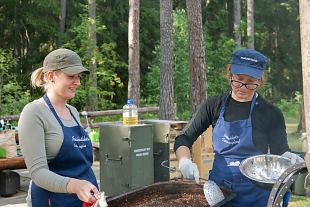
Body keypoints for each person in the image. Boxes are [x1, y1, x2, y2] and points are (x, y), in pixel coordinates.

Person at [174, 48, 304, 207]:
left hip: (257, 195)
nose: (243, 87)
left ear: (260, 80)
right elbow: (184, 138)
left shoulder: (271, 113)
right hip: (219, 193)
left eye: (250, 82)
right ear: (230, 74)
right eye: (239, 79)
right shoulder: (214, 105)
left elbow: (280, 151)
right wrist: (184, 160)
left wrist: (288, 157)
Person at [18, 48, 100, 207]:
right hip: (52, 201)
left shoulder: (74, 112)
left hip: (83, 201)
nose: (77, 82)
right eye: (71, 76)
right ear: (50, 76)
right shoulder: (34, 112)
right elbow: (38, 173)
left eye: (78, 77)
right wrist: (75, 185)